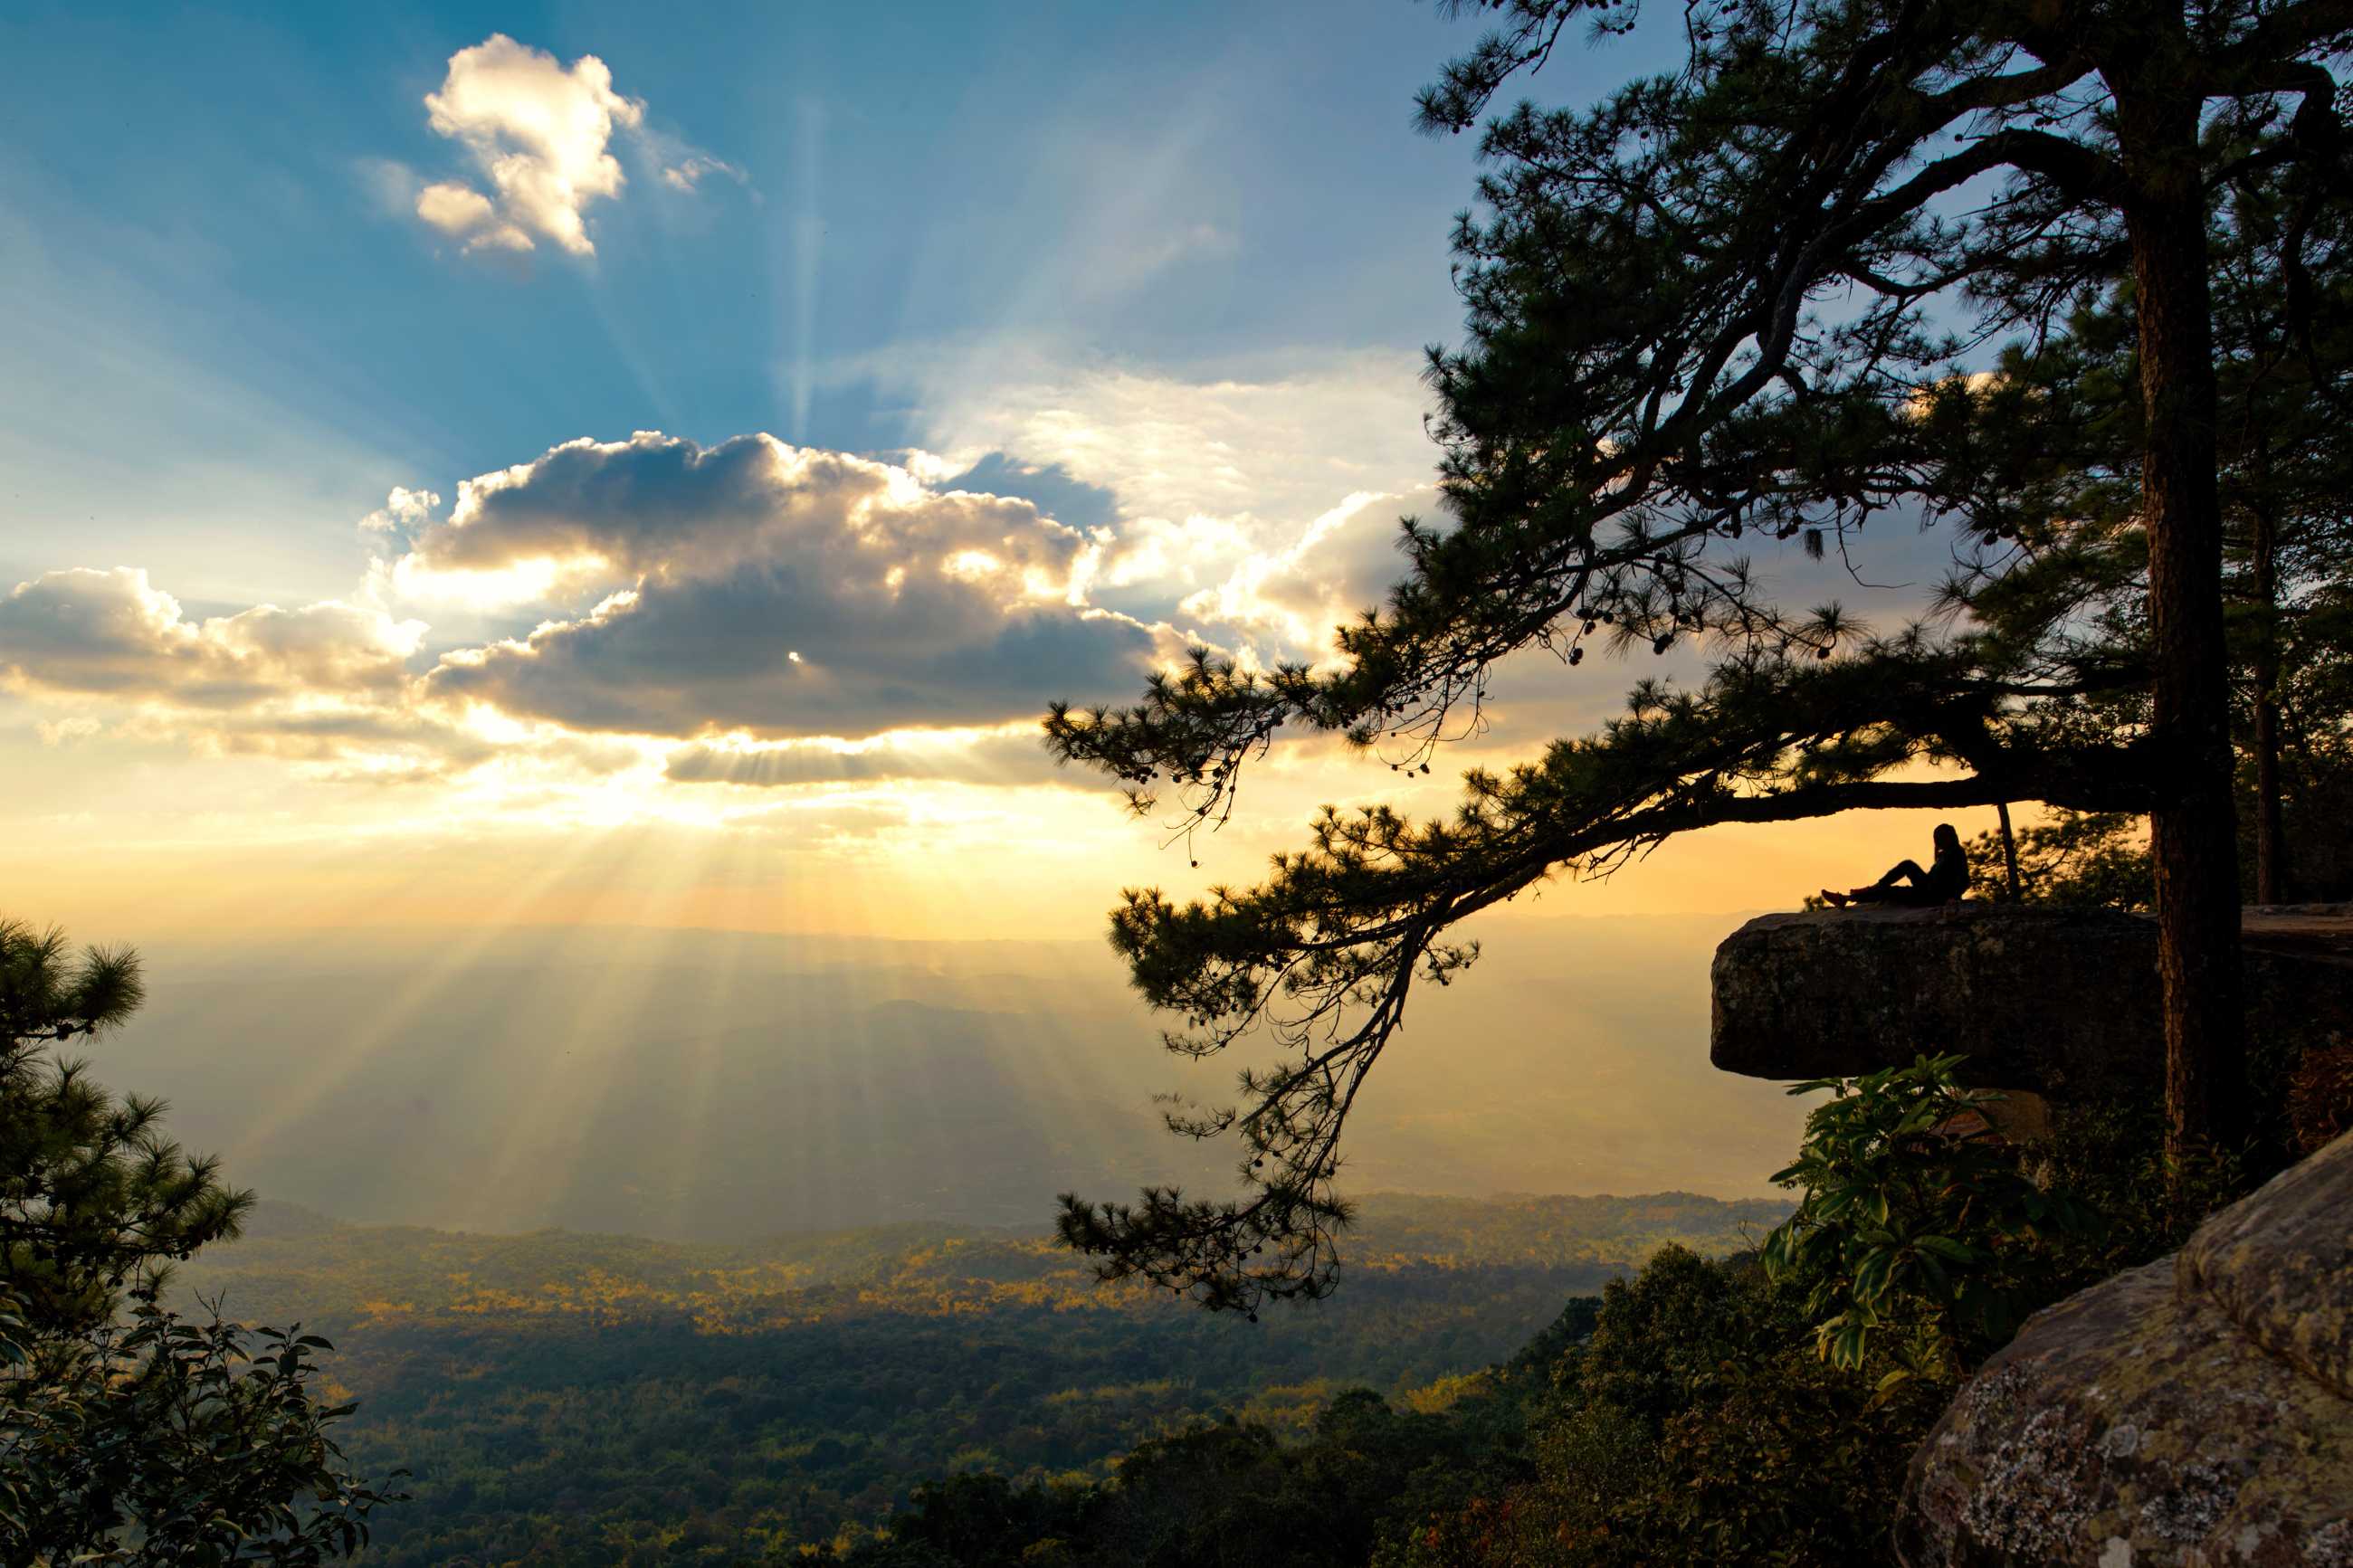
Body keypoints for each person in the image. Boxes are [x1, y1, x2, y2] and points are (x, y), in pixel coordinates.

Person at [1820, 823, 1969, 908]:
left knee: (1891, 891)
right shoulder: (1945, 855)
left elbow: (1964, 880)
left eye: (1941, 837)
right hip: (1928, 889)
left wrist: (1954, 897)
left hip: (1934, 897)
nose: (1939, 841)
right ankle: (1869, 890)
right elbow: (1935, 878)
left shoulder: (1956, 853)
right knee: (1907, 865)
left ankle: (1847, 898)